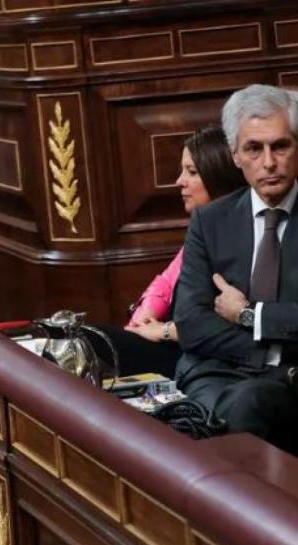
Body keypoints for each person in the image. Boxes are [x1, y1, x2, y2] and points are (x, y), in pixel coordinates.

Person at [172, 84, 298, 452]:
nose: (269, 162)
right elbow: (191, 322)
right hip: (212, 372)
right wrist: (290, 330)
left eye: (280, 146)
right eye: (253, 149)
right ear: (234, 156)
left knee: (241, 409)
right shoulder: (210, 221)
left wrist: (247, 314)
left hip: (291, 380)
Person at [93, 127, 247, 378]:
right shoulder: (204, 229)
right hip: (171, 345)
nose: (179, 181)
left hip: (198, 359)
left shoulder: (240, 237)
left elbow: (226, 325)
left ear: (217, 177)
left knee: (89, 343)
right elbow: (165, 282)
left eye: (192, 172)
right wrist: (142, 321)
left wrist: (163, 330)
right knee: (79, 340)